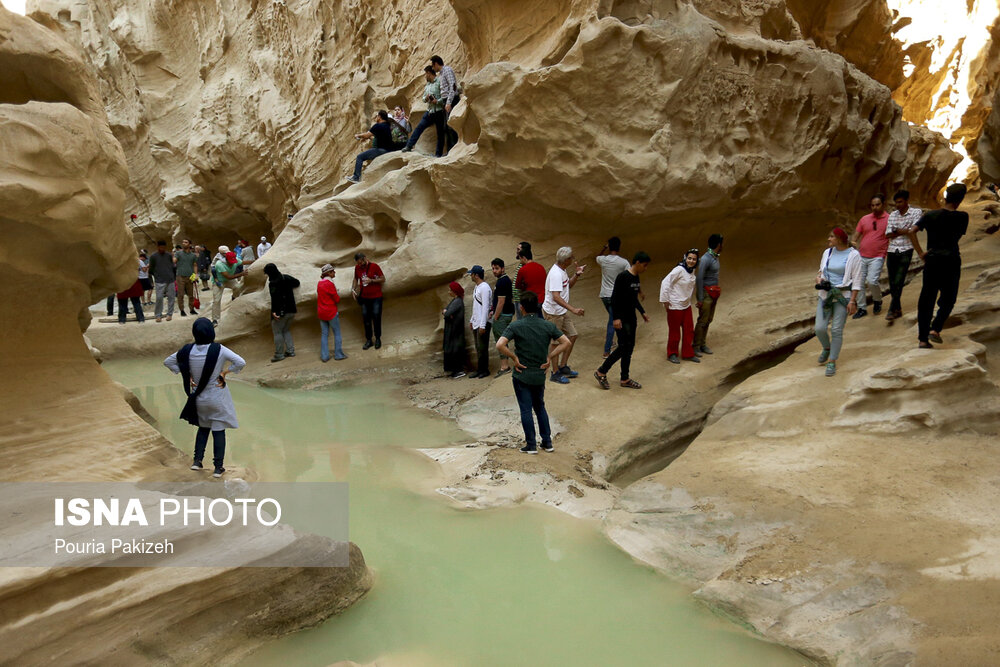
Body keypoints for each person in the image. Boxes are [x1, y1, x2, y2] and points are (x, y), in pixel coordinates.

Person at [163, 318, 245, 477]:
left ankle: (197, 462)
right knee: (218, 430)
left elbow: (168, 362)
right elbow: (240, 362)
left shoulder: (187, 350)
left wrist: (187, 375)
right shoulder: (219, 349)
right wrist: (225, 372)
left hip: (198, 398)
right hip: (217, 396)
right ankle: (218, 468)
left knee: (203, 427)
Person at [496, 292, 572, 454]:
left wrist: (514, 357)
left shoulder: (516, 325)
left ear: (521, 308)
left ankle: (531, 445)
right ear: (537, 306)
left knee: (526, 409)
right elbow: (566, 342)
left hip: (521, 373)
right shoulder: (547, 325)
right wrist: (550, 356)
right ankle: (547, 442)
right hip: (539, 373)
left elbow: (500, 344)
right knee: (540, 407)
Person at [909, 182, 969, 348]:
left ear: (946, 197)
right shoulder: (963, 217)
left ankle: (922, 339)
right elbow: (956, 236)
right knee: (949, 299)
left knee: (927, 299)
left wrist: (921, 253)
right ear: (960, 199)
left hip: (932, 260)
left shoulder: (930, 215)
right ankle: (935, 329)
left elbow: (911, 231)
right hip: (951, 260)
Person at [594, 252, 651, 389]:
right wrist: (616, 318)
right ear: (637, 262)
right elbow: (614, 298)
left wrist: (642, 312)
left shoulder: (636, 277)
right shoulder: (623, 276)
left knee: (629, 348)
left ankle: (624, 378)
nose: (646, 268)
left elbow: (633, 298)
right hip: (622, 318)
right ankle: (601, 371)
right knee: (623, 347)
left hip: (631, 318)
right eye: (645, 265)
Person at [815, 228, 862, 376]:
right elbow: (821, 270)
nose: (828, 239)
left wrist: (853, 301)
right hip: (825, 295)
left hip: (843, 296)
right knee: (819, 328)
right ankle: (827, 348)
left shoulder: (854, 255)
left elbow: (857, 279)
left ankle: (832, 361)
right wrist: (819, 279)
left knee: (836, 330)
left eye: (831, 237)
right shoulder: (827, 252)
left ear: (840, 239)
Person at [542, 247, 585, 383]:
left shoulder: (562, 270)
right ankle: (555, 373)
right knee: (555, 343)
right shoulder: (556, 274)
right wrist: (573, 309)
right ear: (566, 260)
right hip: (554, 314)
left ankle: (563, 366)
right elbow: (555, 297)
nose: (573, 259)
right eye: (571, 257)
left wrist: (577, 274)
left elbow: (568, 286)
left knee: (572, 335)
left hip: (560, 311)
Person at [883, 189, 922, 321]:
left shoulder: (916, 212)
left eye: (900, 202)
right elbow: (888, 234)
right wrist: (905, 230)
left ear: (906, 201)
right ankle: (897, 309)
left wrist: (897, 230)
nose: (898, 205)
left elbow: (914, 230)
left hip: (907, 248)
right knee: (893, 282)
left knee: (899, 280)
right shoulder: (893, 215)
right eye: (896, 203)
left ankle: (891, 310)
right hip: (892, 250)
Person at [851, 194, 890, 318]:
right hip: (862, 256)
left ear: (883, 204)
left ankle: (877, 300)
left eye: (877, 204)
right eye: (872, 205)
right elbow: (856, 236)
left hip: (878, 256)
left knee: (872, 280)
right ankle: (862, 308)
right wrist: (853, 243)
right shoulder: (864, 219)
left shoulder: (889, 219)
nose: (875, 207)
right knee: (859, 283)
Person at [659, 249, 699, 364]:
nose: (691, 261)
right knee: (675, 331)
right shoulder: (679, 270)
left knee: (689, 330)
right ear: (685, 258)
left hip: (686, 305)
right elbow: (665, 282)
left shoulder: (691, 271)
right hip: (675, 305)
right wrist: (665, 300)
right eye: (689, 258)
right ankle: (672, 353)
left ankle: (687, 353)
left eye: (694, 259)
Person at [596, 236, 631, 358]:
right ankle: (607, 350)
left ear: (609, 247)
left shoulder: (603, 260)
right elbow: (629, 275)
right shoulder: (623, 262)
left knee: (613, 318)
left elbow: (597, 257)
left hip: (604, 295)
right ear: (619, 247)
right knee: (612, 321)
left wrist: (604, 248)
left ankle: (612, 343)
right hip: (616, 296)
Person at [400, 67, 446, 157]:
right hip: (429, 112)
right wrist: (427, 98)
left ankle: (438, 155)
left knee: (440, 134)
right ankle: (409, 146)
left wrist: (437, 101)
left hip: (439, 112)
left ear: (429, 73)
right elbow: (423, 98)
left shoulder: (439, 82)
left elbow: (444, 96)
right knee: (419, 128)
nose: (425, 76)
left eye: (426, 74)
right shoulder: (427, 85)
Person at [348, 110, 397, 183]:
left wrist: (358, 135)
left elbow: (367, 135)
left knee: (360, 157)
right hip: (389, 149)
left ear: (379, 117)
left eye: (377, 116)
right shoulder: (387, 126)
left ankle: (356, 177)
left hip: (381, 150)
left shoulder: (378, 126)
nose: (376, 118)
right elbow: (375, 136)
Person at [264, 263, 300, 362]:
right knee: (286, 330)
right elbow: (297, 282)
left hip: (281, 312)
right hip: (292, 310)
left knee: (277, 332)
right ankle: (290, 351)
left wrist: (275, 312)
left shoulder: (273, 283)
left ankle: (279, 354)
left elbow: (275, 298)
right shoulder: (286, 278)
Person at [694, 233, 723, 354]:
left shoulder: (715, 257)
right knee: (702, 320)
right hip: (706, 293)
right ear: (718, 244)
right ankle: (695, 346)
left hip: (713, 292)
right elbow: (699, 278)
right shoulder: (706, 258)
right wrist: (700, 298)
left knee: (709, 319)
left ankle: (702, 344)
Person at [352, 252, 385, 349]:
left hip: (376, 297)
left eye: (360, 262)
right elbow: (355, 279)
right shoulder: (357, 268)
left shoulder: (374, 266)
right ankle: (369, 340)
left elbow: (383, 279)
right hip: (365, 298)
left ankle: (378, 339)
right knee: (366, 320)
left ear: (364, 259)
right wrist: (353, 289)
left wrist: (371, 281)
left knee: (376, 317)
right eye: (358, 263)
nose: (359, 265)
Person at [490, 258, 515, 376]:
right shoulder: (504, 280)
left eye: (497, 268)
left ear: (503, 268)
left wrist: (495, 316)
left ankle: (505, 366)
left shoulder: (502, 282)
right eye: (493, 268)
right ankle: (505, 365)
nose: (494, 271)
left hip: (503, 315)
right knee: (503, 339)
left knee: (500, 340)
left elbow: (501, 301)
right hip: (506, 313)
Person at [317, 263, 347, 362]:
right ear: (329, 273)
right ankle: (338, 354)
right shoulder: (330, 284)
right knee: (337, 333)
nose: (334, 272)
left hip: (321, 312)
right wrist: (337, 292)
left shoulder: (319, 283)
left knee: (324, 334)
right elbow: (337, 299)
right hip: (331, 312)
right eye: (333, 271)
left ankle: (324, 356)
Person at [430, 55, 460, 151]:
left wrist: (449, 102)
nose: (432, 68)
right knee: (447, 127)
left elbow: (453, 86)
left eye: (432, 65)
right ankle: (450, 150)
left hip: (451, 100)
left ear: (436, 63)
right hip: (446, 101)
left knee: (451, 126)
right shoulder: (441, 74)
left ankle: (454, 150)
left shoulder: (447, 70)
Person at [468, 265, 493, 378]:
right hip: (477, 322)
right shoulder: (477, 287)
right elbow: (476, 306)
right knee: (478, 347)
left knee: (482, 347)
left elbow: (485, 307)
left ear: (476, 275)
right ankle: (480, 369)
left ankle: (484, 370)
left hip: (483, 322)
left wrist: (483, 325)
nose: (471, 276)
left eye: (472, 274)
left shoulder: (484, 288)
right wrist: (472, 320)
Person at [211, 249, 245, 325]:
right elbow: (228, 276)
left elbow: (243, 262)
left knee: (238, 287)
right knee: (216, 300)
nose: (232, 264)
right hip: (220, 280)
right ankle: (215, 319)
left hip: (229, 279)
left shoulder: (233, 258)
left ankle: (234, 297)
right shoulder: (219, 262)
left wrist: (258, 260)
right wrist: (241, 274)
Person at [513, 242, 546, 321]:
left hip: (530, 300)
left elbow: (517, 285)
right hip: (542, 299)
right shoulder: (540, 267)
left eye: (520, 258)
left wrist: (524, 286)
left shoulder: (523, 269)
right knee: (540, 320)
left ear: (524, 257)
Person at [443, 281, 467, 378]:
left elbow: (447, 313)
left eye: (450, 290)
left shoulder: (457, 302)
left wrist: (446, 313)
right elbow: (447, 312)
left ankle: (459, 371)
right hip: (453, 330)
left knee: (455, 350)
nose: (449, 292)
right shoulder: (455, 300)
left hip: (456, 331)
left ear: (454, 291)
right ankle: (455, 370)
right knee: (453, 350)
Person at [149, 239, 177, 322]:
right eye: (161, 247)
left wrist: (172, 275)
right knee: (159, 298)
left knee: (171, 297)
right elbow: (151, 269)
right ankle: (158, 315)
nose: (162, 249)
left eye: (164, 247)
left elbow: (172, 266)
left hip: (170, 279)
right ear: (158, 247)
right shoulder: (153, 256)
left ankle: (169, 314)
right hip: (159, 280)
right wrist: (156, 276)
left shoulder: (168, 255)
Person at [174, 238, 199, 316]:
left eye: (186, 242)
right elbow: (174, 260)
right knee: (180, 294)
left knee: (191, 294)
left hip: (190, 276)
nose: (183, 243)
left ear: (190, 244)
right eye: (183, 242)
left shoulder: (193, 255)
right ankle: (182, 310)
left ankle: (192, 309)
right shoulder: (178, 253)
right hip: (180, 276)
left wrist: (195, 275)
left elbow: (195, 265)